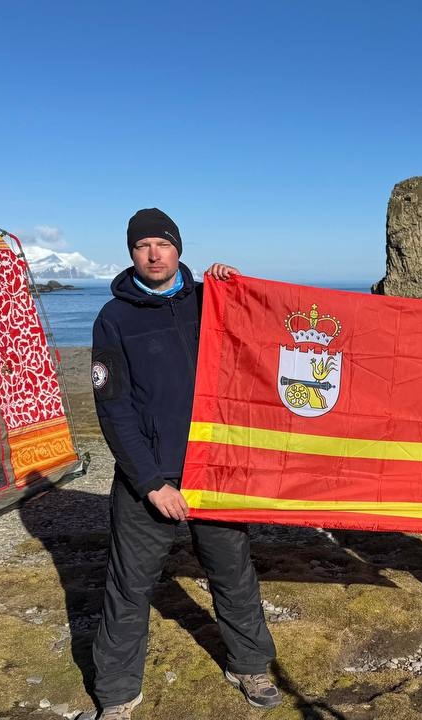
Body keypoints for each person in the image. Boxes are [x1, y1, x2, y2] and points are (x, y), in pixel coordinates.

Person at [88, 208, 280, 719]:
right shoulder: (115, 317)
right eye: (142, 246)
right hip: (149, 476)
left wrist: (235, 285)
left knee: (233, 572)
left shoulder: (210, 301)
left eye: (163, 244)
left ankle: (250, 665)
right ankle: (116, 694)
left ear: (179, 249)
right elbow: (114, 407)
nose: (153, 254)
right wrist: (151, 483)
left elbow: (268, 338)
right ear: (131, 254)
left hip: (215, 467)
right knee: (130, 585)